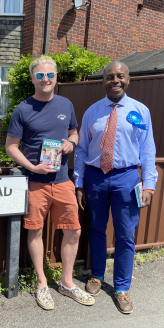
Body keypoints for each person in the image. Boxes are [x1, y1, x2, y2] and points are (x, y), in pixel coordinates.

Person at [6, 56, 94, 310]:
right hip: (35, 181)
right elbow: (11, 146)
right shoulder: (23, 109)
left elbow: (74, 132)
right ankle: (42, 283)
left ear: (56, 78)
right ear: (33, 78)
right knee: (35, 230)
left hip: (62, 180)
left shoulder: (66, 103)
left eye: (50, 75)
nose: (46, 79)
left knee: (74, 230)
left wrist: (72, 143)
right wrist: (32, 166)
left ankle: (67, 283)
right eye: (40, 75)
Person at [74, 61, 158, 314]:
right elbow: (81, 151)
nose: (115, 80)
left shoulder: (140, 111)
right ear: (104, 81)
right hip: (96, 178)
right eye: (110, 77)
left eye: (120, 76)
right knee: (97, 229)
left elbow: (147, 149)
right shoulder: (92, 112)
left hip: (127, 179)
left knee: (125, 235)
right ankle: (97, 275)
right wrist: (79, 183)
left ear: (128, 79)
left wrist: (149, 185)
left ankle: (122, 288)